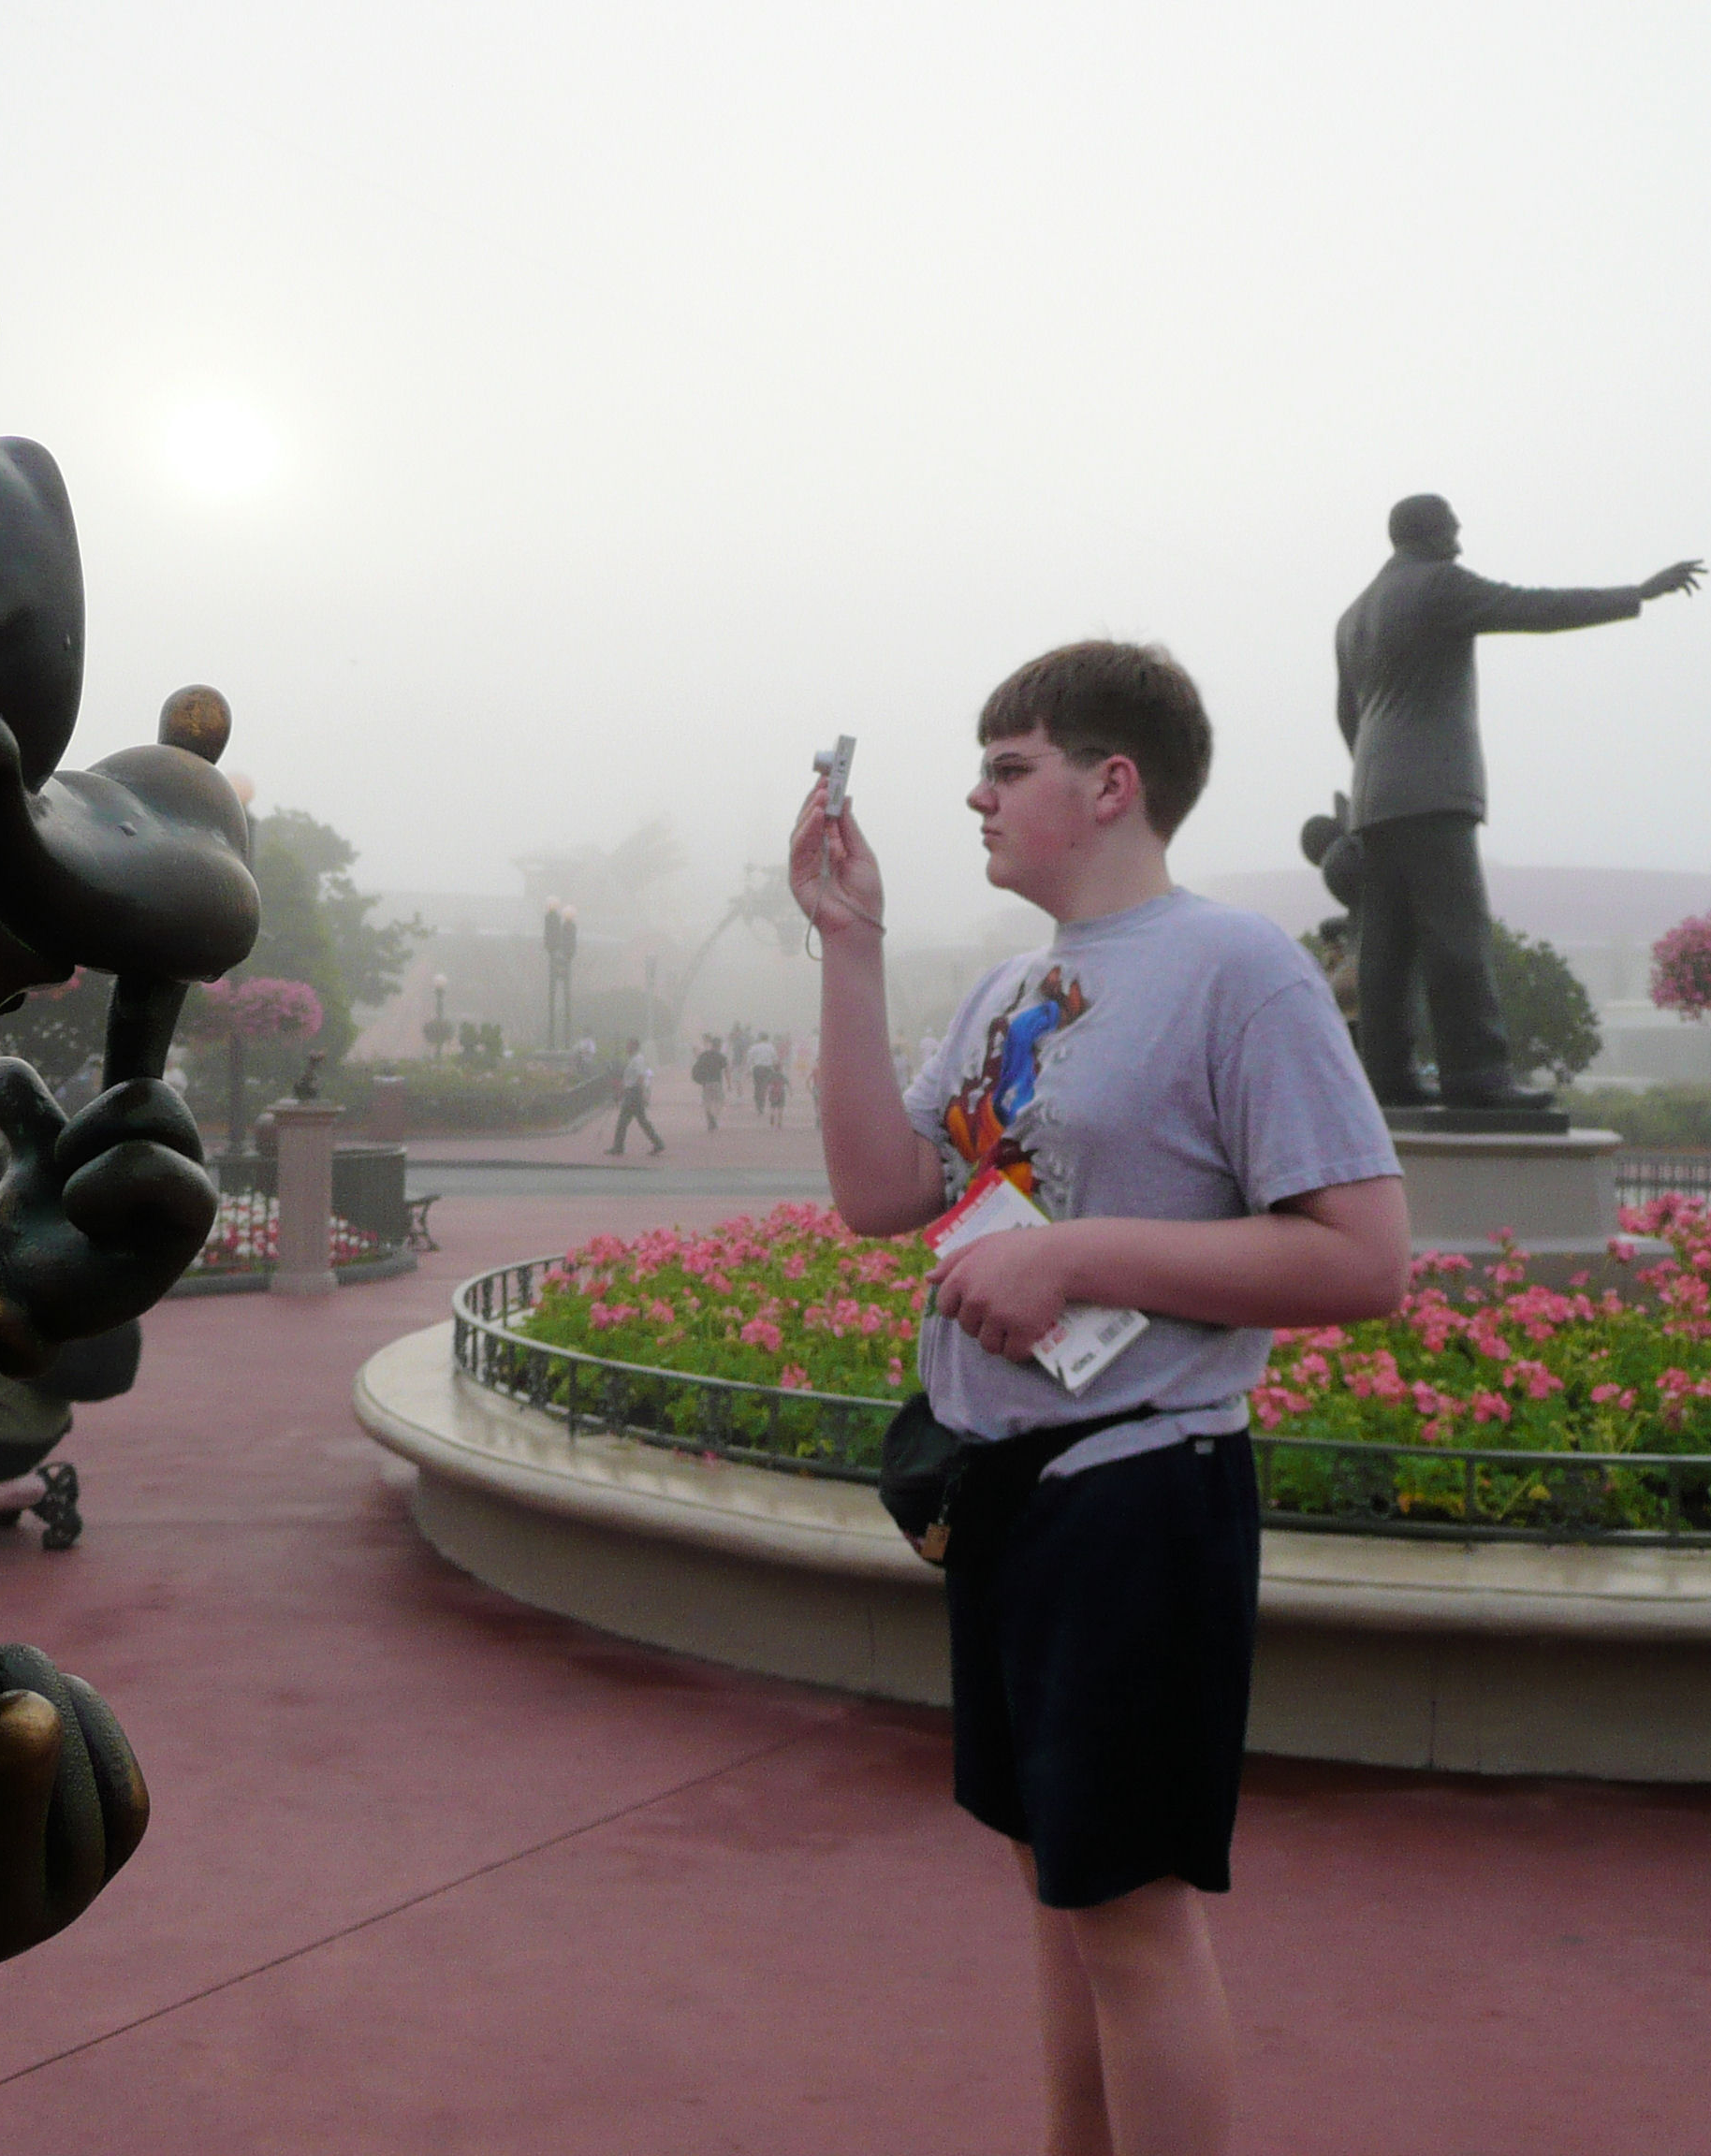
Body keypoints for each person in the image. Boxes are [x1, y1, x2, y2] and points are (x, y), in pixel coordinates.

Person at [794, 638, 1409, 2156]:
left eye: (1009, 766)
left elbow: (1363, 1257)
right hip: (1002, 1488)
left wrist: (1071, 1254)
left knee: (1127, 1921)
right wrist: (849, 946)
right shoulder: (1015, 981)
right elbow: (882, 1192)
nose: (975, 794)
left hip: (1138, 1491)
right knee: (1055, 1897)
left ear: (1110, 781)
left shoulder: (1237, 967)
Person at [1337, 494, 1703, 1109]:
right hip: (1433, 790)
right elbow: (1532, 607)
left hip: (1376, 796)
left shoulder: (1353, 615)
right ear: (1428, 531)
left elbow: (1349, 714)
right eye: (1452, 524)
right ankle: (1477, 1077)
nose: (1460, 534)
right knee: (1456, 934)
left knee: (1388, 949)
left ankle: (1387, 1078)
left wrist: (1377, 777)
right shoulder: (1438, 585)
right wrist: (1636, 593)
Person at [607, 1036, 665, 1156]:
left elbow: (640, 1077)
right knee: (641, 1121)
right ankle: (658, 1143)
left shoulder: (638, 1060)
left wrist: (641, 1092)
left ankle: (618, 1147)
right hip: (632, 1093)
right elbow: (629, 1079)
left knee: (624, 1121)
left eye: (628, 1045)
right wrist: (621, 1092)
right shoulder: (633, 1059)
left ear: (634, 1046)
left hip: (634, 1094)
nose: (626, 1047)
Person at [692, 1033, 730, 1129]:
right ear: (719, 1046)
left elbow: (697, 1066)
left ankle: (709, 1117)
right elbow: (727, 1071)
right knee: (720, 1101)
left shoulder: (704, 1055)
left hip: (705, 1082)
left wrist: (698, 1079)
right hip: (717, 1082)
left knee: (707, 1101)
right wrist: (729, 1084)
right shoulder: (721, 1056)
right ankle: (714, 1116)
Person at [748, 1030, 780, 1116]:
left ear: (760, 1038)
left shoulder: (755, 1047)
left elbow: (749, 1059)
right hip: (768, 1069)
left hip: (757, 1069)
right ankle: (763, 1102)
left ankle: (759, 1104)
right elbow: (776, 1060)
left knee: (757, 1087)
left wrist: (749, 1069)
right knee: (765, 1087)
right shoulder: (771, 1047)